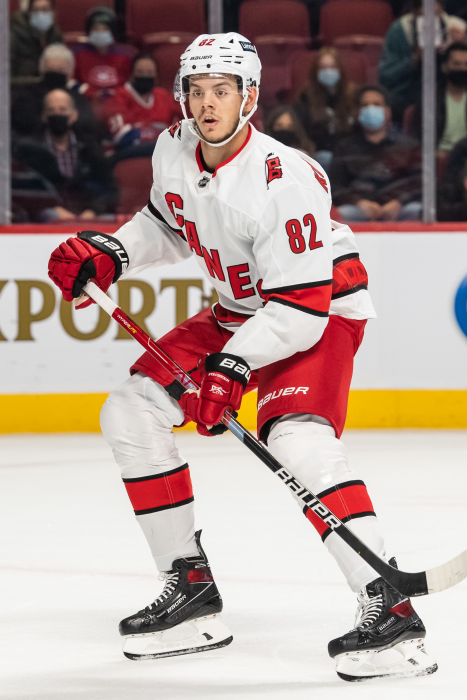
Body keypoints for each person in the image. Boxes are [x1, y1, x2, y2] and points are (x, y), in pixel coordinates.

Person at [47, 33, 436, 681]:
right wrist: (114, 252)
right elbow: (167, 222)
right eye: (196, 91)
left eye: (222, 91)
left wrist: (231, 369)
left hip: (319, 308)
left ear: (248, 96)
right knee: (131, 410)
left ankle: (390, 607)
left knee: (298, 440)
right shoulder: (173, 147)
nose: (207, 104)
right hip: (242, 308)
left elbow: (300, 309)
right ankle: (189, 589)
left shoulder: (286, 179)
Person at [15, 89, 115, 221]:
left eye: (62, 110)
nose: (57, 114)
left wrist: (92, 210)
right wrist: (52, 206)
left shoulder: (90, 148)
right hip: (48, 212)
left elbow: (106, 185)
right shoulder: (29, 149)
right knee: (50, 215)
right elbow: (25, 191)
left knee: (110, 220)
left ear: (73, 115)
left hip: (88, 211)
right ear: (44, 116)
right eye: (51, 110)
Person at [329, 85, 422, 222]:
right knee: (343, 213)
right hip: (359, 209)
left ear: (388, 112)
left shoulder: (408, 146)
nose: (370, 109)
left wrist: (400, 202)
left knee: (416, 210)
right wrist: (358, 202)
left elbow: (420, 183)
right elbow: (335, 186)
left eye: (376, 104)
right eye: (365, 105)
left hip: (400, 209)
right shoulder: (345, 147)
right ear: (358, 112)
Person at [379, 0, 467, 122]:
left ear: (442, 11)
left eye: (434, 15)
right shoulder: (400, 30)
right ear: (414, 13)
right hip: (407, 95)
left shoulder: (454, 29)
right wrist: (414, 61)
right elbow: (385, 76)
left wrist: (460, 49)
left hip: (446, 91)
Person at [11, 44, 99, 140]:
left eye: (60, 69)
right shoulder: (26, 98)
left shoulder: (79, 99)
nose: (55, 74)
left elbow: (88, 129)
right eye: (50, 69)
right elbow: (21, 127)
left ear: (70, 73)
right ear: (42, 70)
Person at [100, 54, 182, 153]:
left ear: (156, 76)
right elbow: (121, 136)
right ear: (131, 75)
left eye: (149, 72)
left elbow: (180, 128)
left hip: (161, 151)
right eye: (140, 72)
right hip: (128, 152)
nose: (145, 76)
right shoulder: (118, 97)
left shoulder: (163, 95)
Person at [294, 47, 356, 171]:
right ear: (316, 72)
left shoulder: (354, 94)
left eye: (333, 67)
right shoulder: (306, 96)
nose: (328, 71)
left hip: (349, 152)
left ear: (340, 70)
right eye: (323, 67)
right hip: (320, 153)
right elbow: (302, 133)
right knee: (325, 159)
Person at [412, 42, 467, 152]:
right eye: (457, 64)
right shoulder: (431, 97)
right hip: (438, 154)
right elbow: (418, 136)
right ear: (445, 67)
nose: (463, 68)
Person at [73, 6, 133, 100]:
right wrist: (91, 94)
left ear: (112, 32)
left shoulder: (125, 56)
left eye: (105, 29)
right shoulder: (78, 55)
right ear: (89, 32)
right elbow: (73, 83)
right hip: (86, 102)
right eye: (96, 29)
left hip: (118, 102)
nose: (100, 32)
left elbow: (130, 85)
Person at [10, 0, 63, 84]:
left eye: (44, 9)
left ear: (53, 12)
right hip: (21, 87)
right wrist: (36, 81)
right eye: (36, 10)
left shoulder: (56, 35)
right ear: (29, 13)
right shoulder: (15, 35)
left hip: (50, 86)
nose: (40, 14)